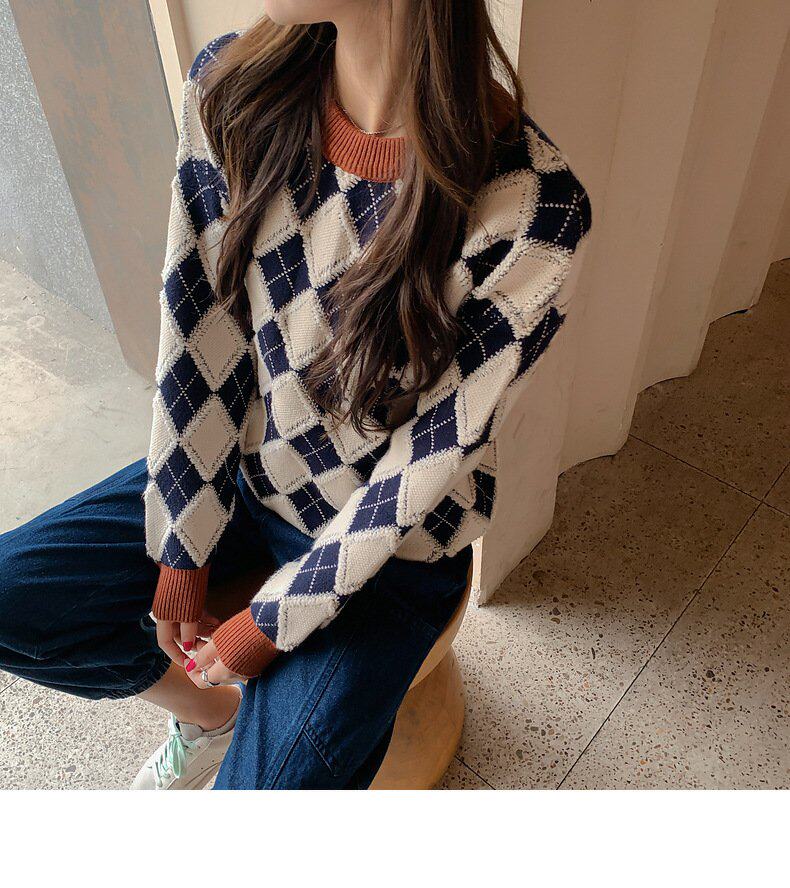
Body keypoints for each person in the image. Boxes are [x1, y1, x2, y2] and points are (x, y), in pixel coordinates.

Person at [0, 0, 591, 790]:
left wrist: (271, 623)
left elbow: (424, 469)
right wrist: (183, 537)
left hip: (394, 556)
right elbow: (198, 336)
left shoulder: (534, 212)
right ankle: (210, 719)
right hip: (251, 479)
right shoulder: (232, 91)